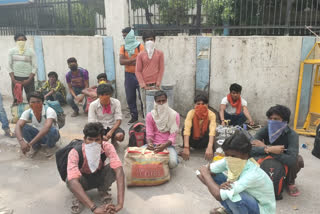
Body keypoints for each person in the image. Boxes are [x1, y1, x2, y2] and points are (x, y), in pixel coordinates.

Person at [197, 131, 275, 214]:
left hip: (262, 210)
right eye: (226, 155)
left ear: (245, 155)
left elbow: (218, 195)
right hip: (248, 196)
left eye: (233, 156)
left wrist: (209, 178)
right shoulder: (229, 159)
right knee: (214, 177)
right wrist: (217, 186)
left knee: (233, 196)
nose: (229, 158)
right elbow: (199, 172)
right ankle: (229, 211)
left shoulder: (253, 173)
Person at [66, 122, 125, 214]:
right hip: (83, 180)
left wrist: (120, 204)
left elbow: (119, 171)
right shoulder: (75, 152)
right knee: (70, 180)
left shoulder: (107, 147)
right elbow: (73, 181)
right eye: (90, 139)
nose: (93, 143)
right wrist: (94, 208)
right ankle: (80, 196)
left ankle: (103, 190)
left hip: (99, 176)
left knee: (116, 168)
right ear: (84, 139)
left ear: (102, 140)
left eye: (97, 140)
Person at [251, 105, 304, 198]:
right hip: (266, 156)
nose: (272, 121)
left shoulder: (292, 135)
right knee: (249, 157)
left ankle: (289, 182)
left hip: (282, 158)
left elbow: (291, 159)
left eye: (276, 119)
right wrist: (269, 149)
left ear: (285, 121)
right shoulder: (265, 129)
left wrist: (268, 149)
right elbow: (250, 148)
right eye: (270, 118)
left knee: (298, 160)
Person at [15, 91, 60, 158]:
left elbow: (46, 128)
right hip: (38, 135)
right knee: (23, 127)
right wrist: (22, 142)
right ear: (29, 103)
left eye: (38, 102)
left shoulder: (49, 111)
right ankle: (36, 146)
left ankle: (51, 147)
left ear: (42, 102)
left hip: (50, 136)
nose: (35, 104)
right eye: (32, 102)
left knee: (52, 130)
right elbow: (18, 125)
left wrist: (29, 144)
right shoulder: (28, 112)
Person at [142, 90, 179, 169]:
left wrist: (163, 146)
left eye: (163, 101)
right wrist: (150, 144)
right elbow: (149, 134)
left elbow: (173, 136)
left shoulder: (174, 115)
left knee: (173, 163)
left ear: (167, 101)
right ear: (155, 102)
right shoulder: (150, 115)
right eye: (159, 101)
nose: (161, 103)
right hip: (154, 145)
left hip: (168, 145)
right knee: (138, 158)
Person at [135, 31, 164, 115]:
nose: (150, 42)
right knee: (146, 106)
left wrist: (158, 82)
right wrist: (143, 84)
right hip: (145, 86)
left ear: (154, 41)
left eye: (151, 39)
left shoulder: (159, 54)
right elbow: (138, 71)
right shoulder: (140, 55)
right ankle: (147, 125)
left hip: (156, 85)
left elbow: (161, 69)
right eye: (147, 40)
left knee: (158, 105)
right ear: (144, 41)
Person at [120, 27, 145, 124]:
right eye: (123, 36)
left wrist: (129, 61)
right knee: (130, 97)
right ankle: (134, 116)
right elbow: (121, 61)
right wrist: (135, 60)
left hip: (140, 75)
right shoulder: (123, 47)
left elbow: (142, 61)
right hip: (128, 75)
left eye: (125, 35)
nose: (124, 38)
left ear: (130, 35)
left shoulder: (140, 46)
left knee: (142, 97)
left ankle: (144, 116)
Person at [181, 93, 216, 161]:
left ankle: (210, 150)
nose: (200, 106)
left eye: (203, 104)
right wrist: (186, 147)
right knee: (184, 127)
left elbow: (212, 131)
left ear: (207, 105)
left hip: (204, 141)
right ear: (194, 105)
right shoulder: (191, 113)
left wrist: (209, 146)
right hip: (193, 141)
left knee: (213, 130)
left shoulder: (211, 114)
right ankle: (186, 148)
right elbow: (187, 130)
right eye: (198, 104)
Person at [8, 33, 37, 104]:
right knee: (16, 99)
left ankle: (32, 112)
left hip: (28, 78)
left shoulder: (31, 51)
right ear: (15, 41)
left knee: (31, 98)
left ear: (25, 40)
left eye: (22, 40)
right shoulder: (11, 51)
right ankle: (17, 113)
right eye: (19, 40)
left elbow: (35, 66)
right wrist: (13, 79)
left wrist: (29, 79)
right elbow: (9, 66)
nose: (21, 41)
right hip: (16, 78)